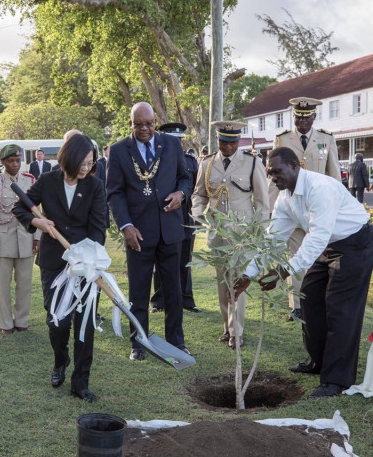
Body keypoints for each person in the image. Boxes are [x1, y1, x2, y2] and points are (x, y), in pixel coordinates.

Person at [235, 147, 373, 398]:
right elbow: (273, 240)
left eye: (277, 171)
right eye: (270, 172)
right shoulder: (285, 199)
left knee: (340, 308)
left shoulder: (319, 188)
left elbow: (317, 236)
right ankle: (318, 361)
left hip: (356, 243)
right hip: (327, 245)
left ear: (294, 165)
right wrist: (248, 274)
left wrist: (283, 272)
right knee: (308, 297)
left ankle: (336, 380)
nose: (273, 177)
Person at [13, 133, 106, 402]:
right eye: (83, 163)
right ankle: (60, 359)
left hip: (85, 264)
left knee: (84, 323)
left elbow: (98, 229)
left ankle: (80, 382)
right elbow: (21, 207)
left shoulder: (95, 186)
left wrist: (86, 256)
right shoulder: (47, 180)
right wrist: (37, 223)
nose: (87, 169)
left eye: (91, 163)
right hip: (54, 263)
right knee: (57, 321)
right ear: (69, 158)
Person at [107, 102, 193, 360]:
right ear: (130, 123)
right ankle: (139, 342)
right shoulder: (119, 150)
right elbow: (114, 193)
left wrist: (181, 194)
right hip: (138, 233)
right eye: (139, 124)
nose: (145, 129)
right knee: (139, 290)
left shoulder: (171, 144)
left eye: (149, 124)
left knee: (173, 289)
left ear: (155, 122)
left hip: (170, 229)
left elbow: (185, 177)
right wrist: (125, 226)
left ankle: (176, 342)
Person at [191, 121, 269, 348]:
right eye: (223, 142)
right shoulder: (207, 163)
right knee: (223, 282)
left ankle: (238, 332)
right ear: (217, 140)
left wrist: (259, 234)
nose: (227, 147)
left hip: (242, 235)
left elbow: (263, 203)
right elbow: (199, 194)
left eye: (232, 142)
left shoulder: (252, 163)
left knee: (238, 282)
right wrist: (198, 213)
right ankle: (227, 327)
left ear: (239, 141)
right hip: (217, 234)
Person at [272, 96, 340, 322]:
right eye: (298, 118)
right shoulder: (282, 140)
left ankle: (318, 300)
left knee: (319, 257)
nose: (302, 122)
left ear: (314, 117)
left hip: (319, 210)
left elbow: (334, 176)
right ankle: (298, 305)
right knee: (296, 256)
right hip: (293, 209)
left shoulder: (326, 139)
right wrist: (271, 211)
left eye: (306, 117)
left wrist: (337, 207)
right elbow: (275, 176)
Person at [0, 144, 39, 335]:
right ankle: (6, 323)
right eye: (10, 161)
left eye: (18, 160)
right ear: (2, 162)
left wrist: (37, 236)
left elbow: (38, 212)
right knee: (3, 286)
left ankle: (22, 320)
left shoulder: (30, 180)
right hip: (3, 240)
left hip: (26, 238)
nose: (15, 164)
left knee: (24, 284)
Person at [150, 122, 200, 314]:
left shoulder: (190, 161)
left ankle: (187, 299)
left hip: (185, 217)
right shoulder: (154, 161)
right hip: (162, 217)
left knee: (185, 259)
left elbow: (195, 189)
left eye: (179, 141)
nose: (177, 145)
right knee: (159, 261)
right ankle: (159, 300)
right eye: (173, 140)